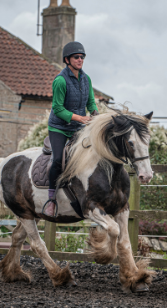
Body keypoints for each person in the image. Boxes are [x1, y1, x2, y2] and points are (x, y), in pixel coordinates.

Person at [43, 41, 98, 217]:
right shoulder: (60, 80)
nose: (80, 60)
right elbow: (58, 109)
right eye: (76, 57)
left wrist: (96, 116)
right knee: (58, 159)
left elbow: (90, 103)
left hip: (77, 127)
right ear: (67, 60)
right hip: (59, 127)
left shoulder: (86, 79)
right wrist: (80, 118)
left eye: (82, 57)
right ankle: (51, 199)